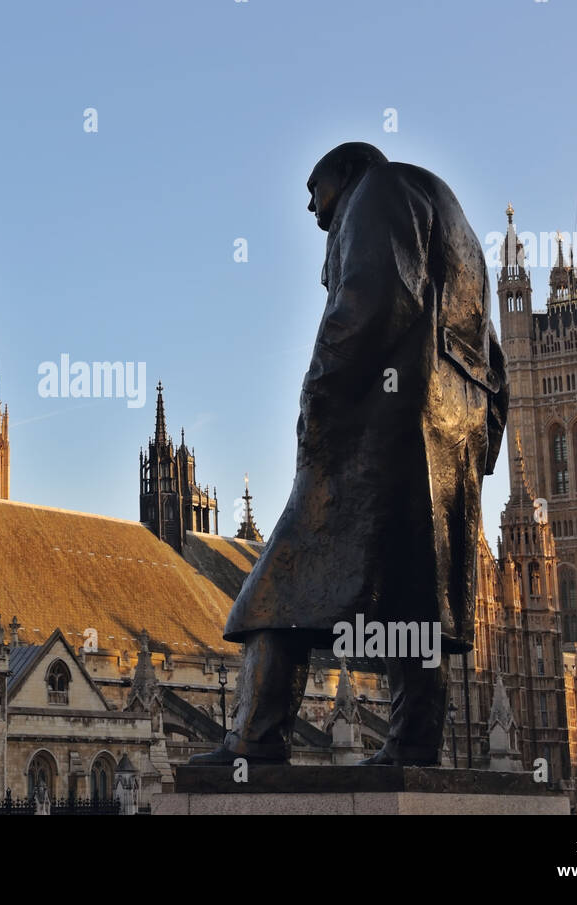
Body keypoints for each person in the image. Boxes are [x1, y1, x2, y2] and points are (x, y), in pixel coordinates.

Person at [192, 142, 508, 766]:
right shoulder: (457, 224)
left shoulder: (378, 192)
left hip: (376, 434)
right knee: (417, 602)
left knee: (274, 591)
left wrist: (320, 395)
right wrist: (477, 448)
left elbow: (370, 301)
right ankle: (413, 745)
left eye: (314, 192)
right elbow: (494, 364)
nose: (311, 210)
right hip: (447, 442)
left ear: (347, 170)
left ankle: (255, 741)